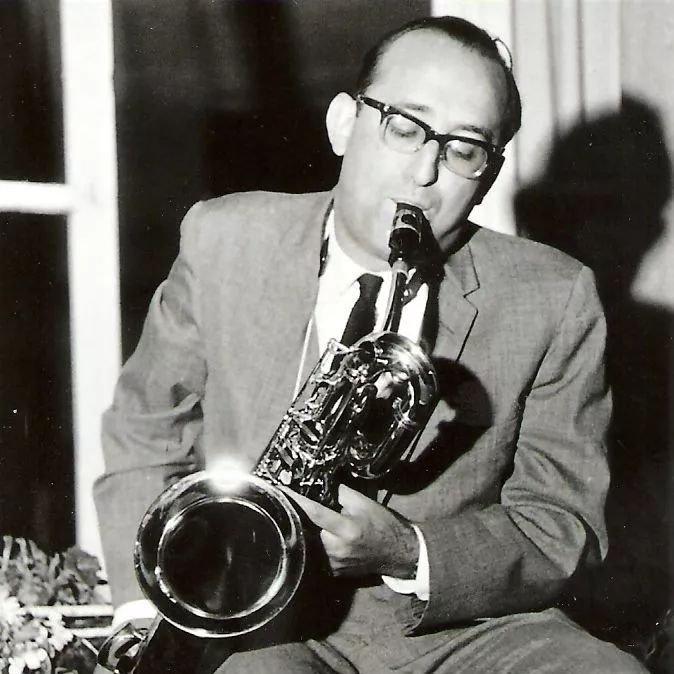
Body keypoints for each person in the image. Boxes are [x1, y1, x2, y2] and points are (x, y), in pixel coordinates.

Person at [94, 16, 647, 674]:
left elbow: (561, 525)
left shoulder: (555, 295)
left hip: (463, 630)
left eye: (464, 149)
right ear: (343, 125)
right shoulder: (224, 238)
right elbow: (146, 426)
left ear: (490, 174)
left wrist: (409, 550)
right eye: (405, 128)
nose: (424, 172)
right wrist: (147, 613)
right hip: (261, 622)